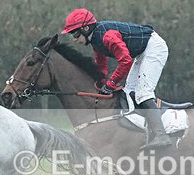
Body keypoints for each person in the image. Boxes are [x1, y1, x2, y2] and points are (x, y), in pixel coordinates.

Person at [61, 8, 172, 150]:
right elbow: (101, 64)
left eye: (75, 33)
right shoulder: (96, 40)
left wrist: (111, 84)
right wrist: (100, 82)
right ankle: (145, 130)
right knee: (129, 91)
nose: (75, 39)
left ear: (86, 28)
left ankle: (161, 135)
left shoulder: (107, 36)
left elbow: (125, 61)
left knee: (143, 93)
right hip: (142, 52)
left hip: (154, 48)